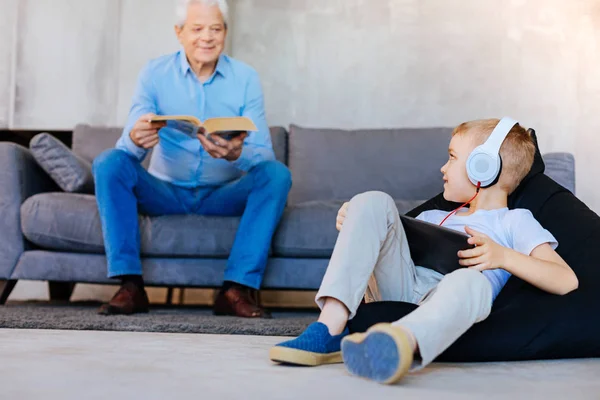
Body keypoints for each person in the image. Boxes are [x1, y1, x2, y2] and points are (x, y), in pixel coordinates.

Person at [269, 118, 578, 384]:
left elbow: (566, 280)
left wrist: (503, 257)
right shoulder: (432, 217)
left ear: (482, 166)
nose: (443, 168)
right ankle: (329, 327)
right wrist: (357, 222)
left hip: (455, 299)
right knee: (372, 200)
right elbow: (380, 257)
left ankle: (397, 343)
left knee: (471, 281)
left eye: (452, 157)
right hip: (403, 287)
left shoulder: (514, 220)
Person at [92, 0, 291, 318]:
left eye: (215, 28)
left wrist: (236, 154)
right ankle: (130, 286)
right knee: (109, 162)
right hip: (164, 193)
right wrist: (136, 138)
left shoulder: (245, 78)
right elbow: (126, 147)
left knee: (277, 174)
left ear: (225, 32)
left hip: (221, 196)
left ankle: (235, 290)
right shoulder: (154, 74)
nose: (207, 37)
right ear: (179, 33)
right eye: (197, 29)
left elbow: (263, 155)